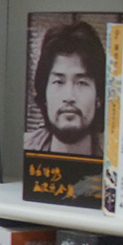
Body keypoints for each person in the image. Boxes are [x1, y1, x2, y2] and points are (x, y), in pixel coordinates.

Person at [24, 18, 106, 156]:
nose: (69, 97)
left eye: (82, 83)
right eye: (59, 82)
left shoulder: (118, 158)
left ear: (99, 98)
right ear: (44, 95)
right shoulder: (20, 150)